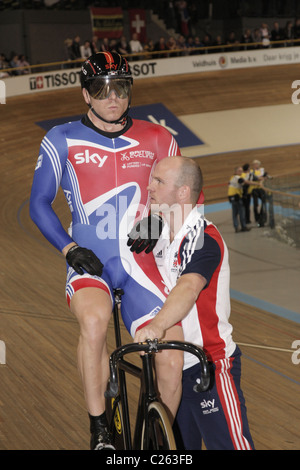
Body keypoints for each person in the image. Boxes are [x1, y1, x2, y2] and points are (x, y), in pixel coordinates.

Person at [29, 51, 182, 450]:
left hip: (142, 267)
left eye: (121, 88)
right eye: (101, 89)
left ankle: (159, 440)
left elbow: (182, 193)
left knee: (170, 357)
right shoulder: (60, 138)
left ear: (130, 91)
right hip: (90, 264)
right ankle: (100, 430)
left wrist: (160, 221)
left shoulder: (158, 137)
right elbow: (38, 203)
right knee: (95, 324)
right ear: (86, 94)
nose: (112, 97)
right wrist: (69, 249)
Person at [133, 156, 255, 450]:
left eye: (159, 181)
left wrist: (156, 326)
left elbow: (188, 288)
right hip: (171, 369)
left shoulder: (204, 238)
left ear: (183, 192)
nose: (149, 187)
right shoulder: (158, 233)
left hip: (208, 367)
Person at [227, 166, 251, 232]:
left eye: (241, 171)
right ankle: (243, 226)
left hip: (232, 197)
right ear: (236, 172)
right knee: (241, 212)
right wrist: (258, 183)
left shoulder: (232, 177)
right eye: (239, 171)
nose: (241, 172)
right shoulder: (238, 178)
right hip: (236, 197)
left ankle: (236, 227)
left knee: (234, 213)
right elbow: (246, 182)